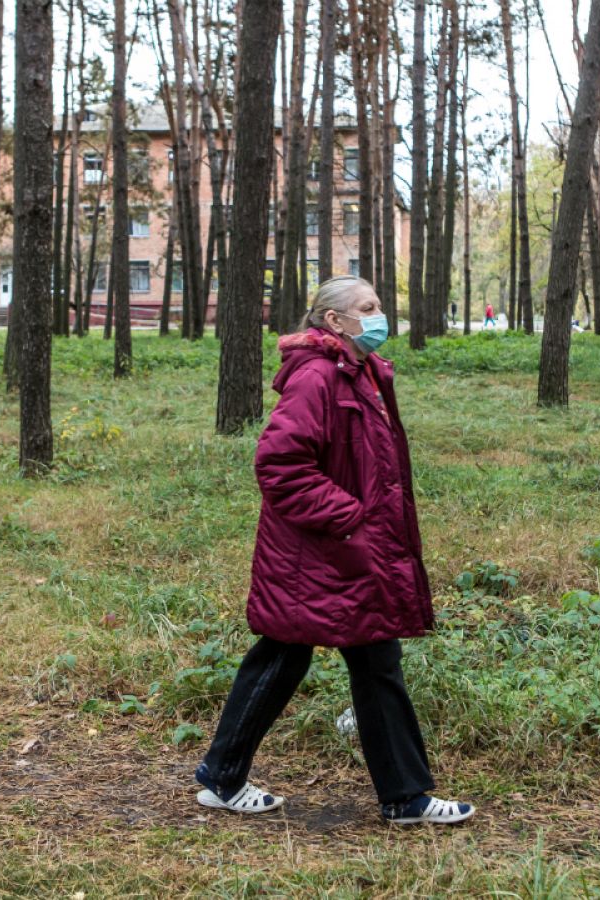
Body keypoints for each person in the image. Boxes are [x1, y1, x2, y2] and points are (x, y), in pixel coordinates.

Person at [194, 276, 475, 827]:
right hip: (316, 555)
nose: (379, 316)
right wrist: (351, 520)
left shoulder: (362, 372)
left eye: (378, 305)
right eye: (367, 308)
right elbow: (279, 465)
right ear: (333, 322)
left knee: (371, 662)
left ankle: (403, 798)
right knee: (285, 658)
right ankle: (226, 778)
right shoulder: (318, 378)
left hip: (347, 553)